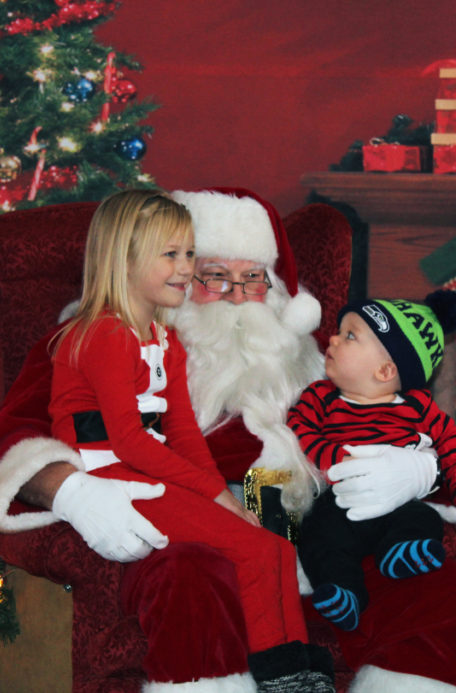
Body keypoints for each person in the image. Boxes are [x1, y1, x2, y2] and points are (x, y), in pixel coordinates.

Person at [0, 187, 456, 692]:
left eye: (253, 278)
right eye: (215, 276)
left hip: (318, 534)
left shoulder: (315, 365)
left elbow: (395, 423)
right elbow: (14, 441)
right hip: (180, 531)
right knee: (195, 577)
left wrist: (419, 470)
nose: (239, 296)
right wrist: (72, 491)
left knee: (446, 589)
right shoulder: (87, 338)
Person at [44, 188, 333, 692]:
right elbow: (131, 444)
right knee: (259, 550)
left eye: (189, 254)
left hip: (150, 474)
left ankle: (297, 669)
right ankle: (281, 675)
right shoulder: (103, 336)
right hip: (118, 482)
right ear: (126, 259)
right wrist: (212, 495)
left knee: (276, 548)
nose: (184, 268)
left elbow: (181, 433)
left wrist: (223, 499)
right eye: (171, 255)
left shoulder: (163, 340)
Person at [288, 291, 456, 632]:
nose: (333, 339)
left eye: (350, 335)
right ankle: (344, 592)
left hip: (398, 505)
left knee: (422, 517)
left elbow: (452, 444)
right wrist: (335, 459)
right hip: (339, 503)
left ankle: (402, 553)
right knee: (318, 534)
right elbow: (298, 429)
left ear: (385, 370)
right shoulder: (319, 396)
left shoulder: (418, 408)